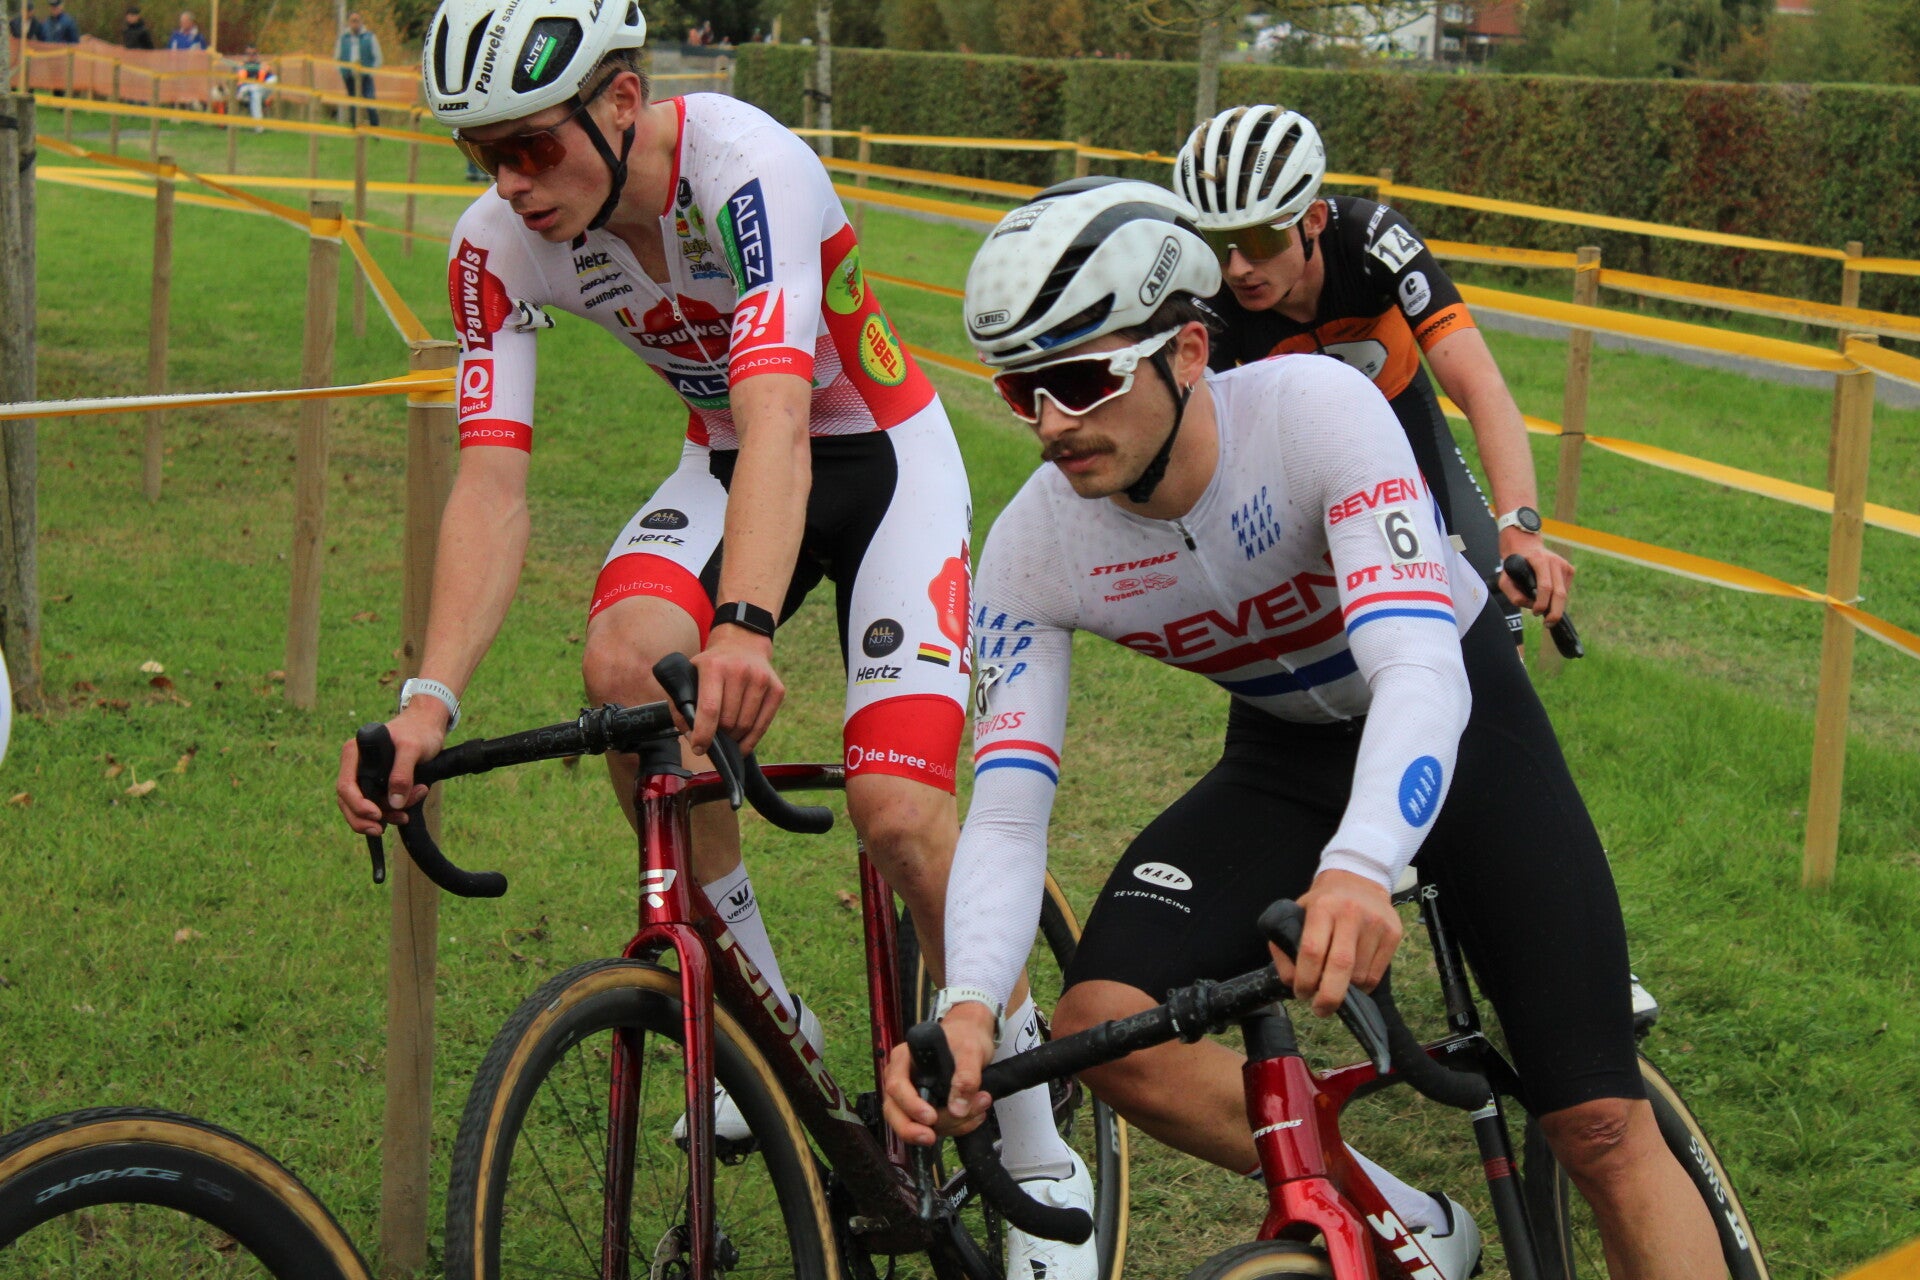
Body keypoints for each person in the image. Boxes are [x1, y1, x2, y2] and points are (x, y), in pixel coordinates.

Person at [334, 4, 1080, 1274]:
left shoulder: (748, 169)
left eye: (530, 146)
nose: (510, 183)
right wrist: (426, 700)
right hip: (727, 463)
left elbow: (782, 413)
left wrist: (744, 623)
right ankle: (761, 1019)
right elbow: (492, 485)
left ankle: (1038, 1140)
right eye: (481, 155)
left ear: (622, 102)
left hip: (879, 462)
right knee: (625, 670)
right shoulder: (493, 247)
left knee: (899, 813)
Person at [882, 180, 1730, 1280]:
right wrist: (967, 1008)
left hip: (1460, 715)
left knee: (1599, 1125)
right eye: (1020, 390)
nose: (1051, 424)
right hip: (1286, 752)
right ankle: (1408, 1219)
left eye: (1083, 380)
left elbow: (1417, 667)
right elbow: (1005, 811)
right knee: (1107, 1026)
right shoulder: (1034, 548)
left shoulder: (1313, 412)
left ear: (1189, 352)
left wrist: (1361, 864)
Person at [1174, 105, 1574, 647]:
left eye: (1260, 241)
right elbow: (1195, 441)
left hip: (1406, 419)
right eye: (1218, 243)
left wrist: (1521, 529)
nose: (1239, 267)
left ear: (1313, 220)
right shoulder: (1210, 292)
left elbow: (1480, 385)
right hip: (1304, 458)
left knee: (1493, 624)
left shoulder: (1371, 240)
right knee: (1351, 640)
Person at [335, 11, 381, 127]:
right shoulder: (343, 38)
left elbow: (378, 57)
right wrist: (343, 71)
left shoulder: (369, 37)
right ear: (349, 23)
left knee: (370, 101)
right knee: (353, 103)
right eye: (352, 21)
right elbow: (337, 58)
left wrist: (371, 72)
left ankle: (375, 129)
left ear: (361, 22)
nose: (355, 23)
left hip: (366, 75)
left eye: (357, 21)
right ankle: (355, 128)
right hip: (349, 76)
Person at [233, 45, 274, 129]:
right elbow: (233, 82)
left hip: (259, 92)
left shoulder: (263, 66)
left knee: (255, 93)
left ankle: (258, 127)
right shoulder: (240, 66)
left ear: (257, 54)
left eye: (253, 54)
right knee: (249, 91)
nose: (251, 56)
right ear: (245, 55)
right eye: (248, 54)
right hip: (243, 92)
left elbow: (270, 81)